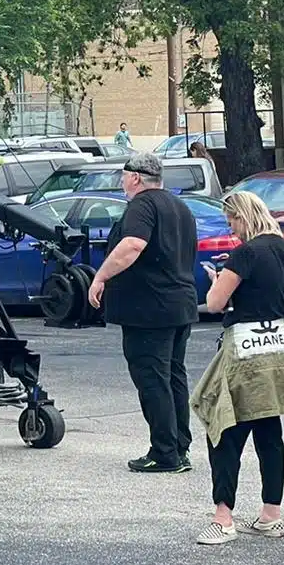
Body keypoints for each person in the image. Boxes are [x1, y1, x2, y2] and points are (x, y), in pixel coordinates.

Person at [190, 191, 284, 545]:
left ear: (244, 217)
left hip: (245, 349)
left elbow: (215, 304)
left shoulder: (246, 253)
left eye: (232, 221)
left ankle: (223, 517)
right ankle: (271, 514)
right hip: (279, 345)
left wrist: (219, 279)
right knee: (268, 431)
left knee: (224, 430)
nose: (232, 228)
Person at [88, 152, 199, 473]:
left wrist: (101, 276)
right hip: (179, 304)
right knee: (173, 376)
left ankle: (164, 452)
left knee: (153, 380)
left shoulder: (142, 205)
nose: (122, 182)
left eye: (123, 176)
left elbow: (133, 245)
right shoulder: (180, 207)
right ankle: (179, 446)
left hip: (149, 310)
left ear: (136, 177)